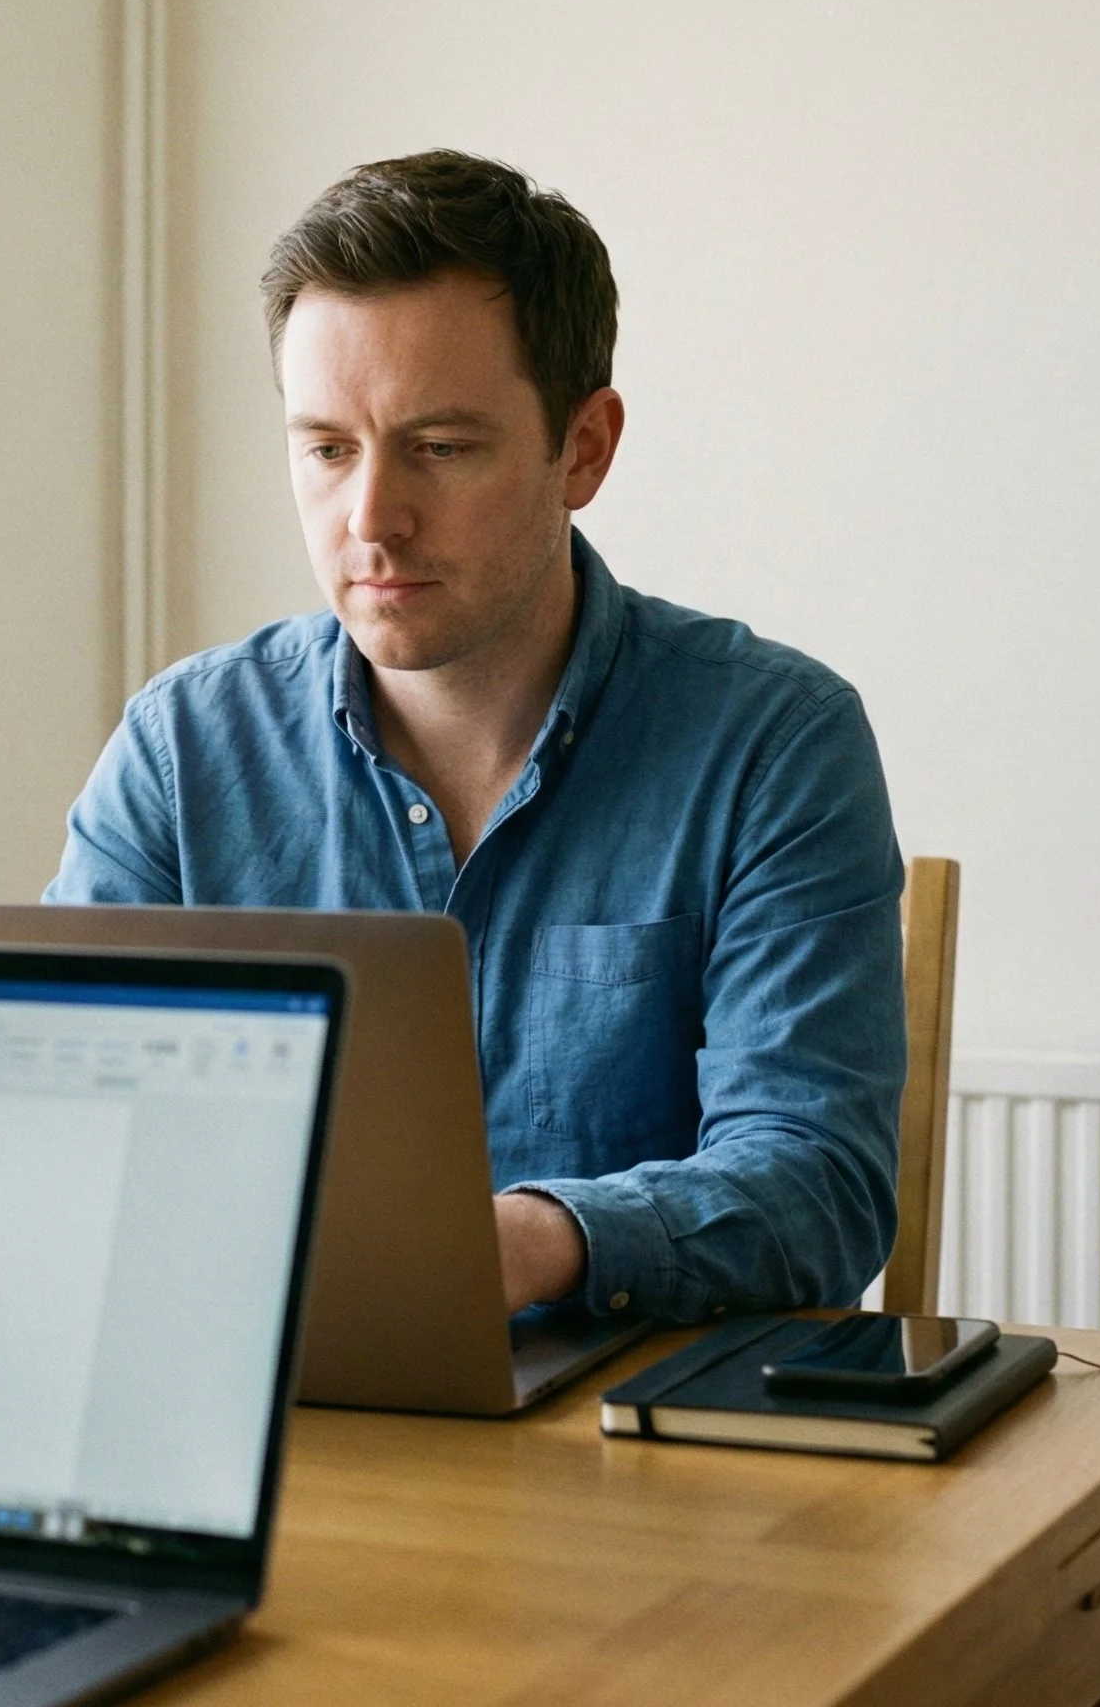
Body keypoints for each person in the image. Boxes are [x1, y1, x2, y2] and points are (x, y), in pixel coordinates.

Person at [47, 150, 906, 1323]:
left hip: (635, 1456)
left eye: (441, 449)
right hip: (287, 1424)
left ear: (583, 450)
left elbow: (819, 1183)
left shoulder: (771, 743)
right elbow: (61, 1131)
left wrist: (520, 1245)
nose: (371, 520)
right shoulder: (184, 749)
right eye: (327, 448)